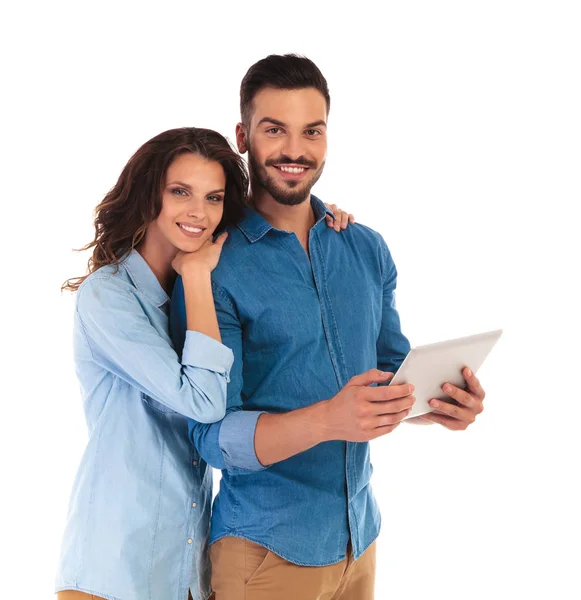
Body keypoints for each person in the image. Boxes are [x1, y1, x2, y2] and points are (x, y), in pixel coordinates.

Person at [171, 55, 487, 600]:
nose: (295, 150)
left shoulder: (365, 247)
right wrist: (327, 420)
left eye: (311, 131)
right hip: (263, 553)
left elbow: (389, 377)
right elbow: (210, 436)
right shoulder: (210, 267)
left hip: (358, 540)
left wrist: (437, 405)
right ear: (244, 136)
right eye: (275, 130)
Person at [55, 125, 357, 600]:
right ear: (148, 195)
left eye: (214, 198)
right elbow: (204, 401)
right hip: (113, 572)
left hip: (185, 573)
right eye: (180, 192)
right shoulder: (109, 296)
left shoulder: (199, 295)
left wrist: (320, 223)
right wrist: (197, 278)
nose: (198, 212)